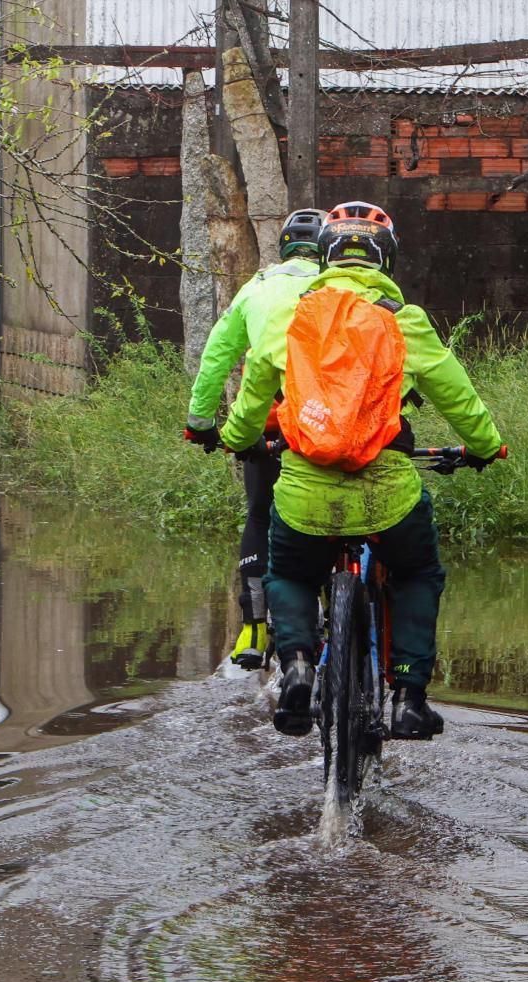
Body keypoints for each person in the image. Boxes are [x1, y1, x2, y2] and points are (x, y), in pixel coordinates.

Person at [219, 201, 503, 740]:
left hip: (305, 495)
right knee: (416, 573)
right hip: (387, 496)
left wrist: (237, 438)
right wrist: (484, 447)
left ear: (324, 256)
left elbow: (255, 387)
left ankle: (299, 663)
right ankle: (410, 697)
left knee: (290, 573)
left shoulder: (290, 319)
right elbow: (458, 396)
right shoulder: (404, 321)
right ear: (387, 261)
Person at [186, 208, 328, 669]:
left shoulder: (257, 288)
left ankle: (253, 628)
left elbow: (215, 358)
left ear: (283, 247)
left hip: (270, 425)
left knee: (261, 514)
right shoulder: (347, 289)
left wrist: (201, 422)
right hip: (330, 426)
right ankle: (339, 614)